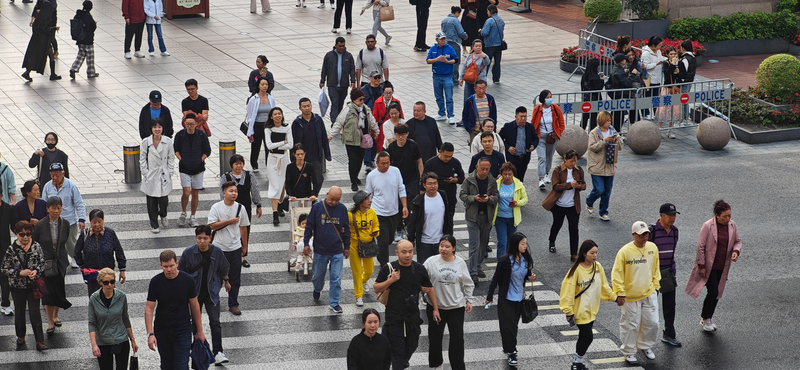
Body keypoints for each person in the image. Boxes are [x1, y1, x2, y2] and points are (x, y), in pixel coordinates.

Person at [373, 240, 439, 369]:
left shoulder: (419, 269)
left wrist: (435, 309)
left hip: (412, 315)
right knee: (398, 350)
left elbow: (429, 288)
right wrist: (390, 280)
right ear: (397, 253)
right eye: (404, 252)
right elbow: (376, 288)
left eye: (410, 252)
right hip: (394, 315)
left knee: (412, 344)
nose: (407, 255)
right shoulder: (389, 268)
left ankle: (403, 362)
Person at [559, 240, 621, 370]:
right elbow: (567, 291)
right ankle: (576, 362)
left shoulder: (597, 267)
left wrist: (615, 298)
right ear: (584, 253)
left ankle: (577, 362)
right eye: (592, 253)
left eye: (596, 252)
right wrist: (568, 311)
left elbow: (604, 287)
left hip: (592, 309)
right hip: (580, 311)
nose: (595, 255)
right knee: (588, 336)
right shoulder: (575, 270)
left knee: (583, 337)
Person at [685, 200, 742, 332]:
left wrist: (735, 251)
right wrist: (701, 265)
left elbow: (738, 241)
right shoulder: (707, 226)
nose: (728, 219)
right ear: (717, 215)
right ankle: (706, 319)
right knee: (714, 292)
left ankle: (707, 318)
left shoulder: (732, 225)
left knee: (716, 293)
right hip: (709, 266)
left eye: (729, 215)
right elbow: (701, 246)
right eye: (725, 216)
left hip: (723, 266)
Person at [178, 226, 232, 365]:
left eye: (205, 238)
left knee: (215, 321)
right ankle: (198, 350)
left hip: (211, 292)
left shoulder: (217, 252)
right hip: (193, 294)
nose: (202, 241)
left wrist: (226, 281)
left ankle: (218, 352)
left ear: (210, 238)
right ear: (196, 238)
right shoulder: (188, 253)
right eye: (199, 238)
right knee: (195, 323)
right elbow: (181, 272)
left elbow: (224, 267)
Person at [145, 250, 206, 370]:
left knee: (181, 365)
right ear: (161, 265)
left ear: (177, 263)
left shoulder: (187, 280)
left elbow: (194, 306)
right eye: (165, 266)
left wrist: (199, 331)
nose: (169, 269)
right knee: (166, 365)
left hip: (182, 329)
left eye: (171, 266)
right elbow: (149, 309)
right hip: (162, 329)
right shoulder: (156, 282)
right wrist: (150, 334)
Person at [611, 221, 661, 365]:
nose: (645, 237)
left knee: (652, 322)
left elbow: (656, 268)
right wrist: (620, 293)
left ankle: (645, 346)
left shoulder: (652, 248)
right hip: (629, 296)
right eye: (641, 235)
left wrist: (655, 285)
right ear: (633, 235)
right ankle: (629, 351)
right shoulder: (625, 252)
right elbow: (617, 274)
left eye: (646, 234)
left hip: (649, 292)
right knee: (630, 324)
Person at [485, 232, 536, 367]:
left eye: (525, 243)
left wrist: (530, 278)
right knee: (507, 326)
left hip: (519, 298)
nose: (525, 246)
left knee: (513, 326)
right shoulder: (505, 261)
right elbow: (495, 279)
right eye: (522, 244)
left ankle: (508, 346)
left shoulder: (526, 260)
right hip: (506, 299)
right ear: (515, 245)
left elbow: (527, 275)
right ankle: (512, 351)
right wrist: (489, 297)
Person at [423, 235, 472, 369]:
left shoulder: (460, 263)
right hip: (435, 307)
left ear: (454, 248)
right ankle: (436, 365)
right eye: (441, 246)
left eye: (447, 246)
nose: (443, 249)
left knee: (457, 340)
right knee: (435, 338)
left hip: (456, 307)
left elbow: (468, 283)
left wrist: (469, 300)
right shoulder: (430, 262)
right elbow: (421, 278)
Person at [304, 187, 350, 314]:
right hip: (320, 250)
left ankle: (334, 303)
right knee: (318, 276)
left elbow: (346, 229)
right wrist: (306, 243)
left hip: (337, 250)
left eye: (337, 200)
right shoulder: (317, 207)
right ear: (327, 194)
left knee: (336, 278)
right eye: (331, 199)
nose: (333, 202)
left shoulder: (342, 209)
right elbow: (309, 226)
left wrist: (347, 247)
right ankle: (317, 289)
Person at [1, 221, 46, 351]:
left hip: (33, 286)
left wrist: (36, 271)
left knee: (35, 313)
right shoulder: (11, 249)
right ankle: (20, 336)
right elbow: (4, 268)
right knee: (19, 313)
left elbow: (42, 263)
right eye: (22, 234)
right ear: (16, 234)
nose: (25, 237)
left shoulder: (36, 246)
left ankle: (39, 340)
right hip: (17, 288)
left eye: (28, 234)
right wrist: (19, 273)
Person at [207, 181, 250, 316]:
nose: (234, 193)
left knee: (235, 278)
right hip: (219, 248)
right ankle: (214, 300)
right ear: (223, 193)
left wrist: (245, 245)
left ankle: (233, 304)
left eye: (235, 191)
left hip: (235, 248)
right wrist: (229, 221)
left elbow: (243, 227)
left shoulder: (240, 208)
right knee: (216, 276)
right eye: (231, 191)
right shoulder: (216, 207)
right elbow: (212, 226)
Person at [32, 196, 72, 336]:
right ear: (47, 209)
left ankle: (56, 316)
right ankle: (50, 322)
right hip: (46, 262)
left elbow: (65, 240)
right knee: (47, 292)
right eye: (53, 208)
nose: (56, 211)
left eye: (59, 208)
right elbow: (35, 242)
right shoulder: (41, 225)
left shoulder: (65, 223)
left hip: (60, 261)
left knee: (59, 289)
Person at [88, 268, 138, 370]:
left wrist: (132, 340)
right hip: (103, 341)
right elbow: (92, 323)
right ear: (100, 282)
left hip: (121, 339)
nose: (110, 285)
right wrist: (94, 345)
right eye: (106, 282)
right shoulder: (94, 298)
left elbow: (125, 319)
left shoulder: (121, 297)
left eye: (112, 282)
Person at [330, 88, 379, 192]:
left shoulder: (366, 109)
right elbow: (339, 123)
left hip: (362, 139)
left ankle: (355, 176)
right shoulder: (347, 110)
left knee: (360, 159)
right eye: (360, 99)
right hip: (350, 139)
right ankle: (353, 181)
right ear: (354, 100)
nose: (362, 101)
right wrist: (331, 135)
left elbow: (372, 120)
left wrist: (376, 131)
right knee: (353, 160)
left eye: (363, 99)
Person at [364, 152, 407, 266]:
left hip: (393, 212)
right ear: (377, 163)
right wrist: (367, 212)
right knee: (383, 241)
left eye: (387, 163)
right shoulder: (372, 176)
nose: (385, 166)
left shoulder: (395, 171)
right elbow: (368, 194)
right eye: (382, 163)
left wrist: (405, 206)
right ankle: (384, 264)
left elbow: (401, 189)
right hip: (378, 212)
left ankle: (380, 253)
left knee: (389, 239)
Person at [648, 203, 682, 346]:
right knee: (649, 307)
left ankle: (669, 333)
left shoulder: (675, 231)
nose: (672, 218)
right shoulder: (651, 231)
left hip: (668, 273)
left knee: (669, 305)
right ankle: (644, 339)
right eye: (669, 215)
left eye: (674, 215)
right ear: (661, 216)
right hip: (652, 275)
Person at [543, 150, 586, 260]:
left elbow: (584, 185)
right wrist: (570, 185)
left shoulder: (579, 170)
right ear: (565, 160)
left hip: (573, 205)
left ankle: (574, 254)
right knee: (557, 224)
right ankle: (552, 241)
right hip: (559, 205)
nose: (573, 163)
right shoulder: (558, 170)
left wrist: (579, 186)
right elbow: (556, 186)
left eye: (575, 161)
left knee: (574, 229)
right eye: (571, 161)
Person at [220, 154, 262, 268]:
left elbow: (255, 190)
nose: (239, 166)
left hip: (245, 207)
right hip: (230, 207)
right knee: (230, 231)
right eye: (236, 164)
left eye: (241, 163)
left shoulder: (249, 175)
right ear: (232, 165)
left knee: (245, 230)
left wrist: (258, 205)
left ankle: (242, 256)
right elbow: (221, 193)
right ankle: (230, 256)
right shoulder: (226, 177)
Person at [460, 158, 497, 284]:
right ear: (477, 167)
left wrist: (489, 199)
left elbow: (497, 197)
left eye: (487, 169)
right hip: (473, 217)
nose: (484, 172)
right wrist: (474, 198)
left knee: (483, 244)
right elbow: (462, 195)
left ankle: (478, 265)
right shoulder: (469, 180)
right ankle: (473, 272)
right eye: (482, 169)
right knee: (474, 244)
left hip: (487, 217)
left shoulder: (492, 181)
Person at [41, 163, 86, 268]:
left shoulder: (71, 186)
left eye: (57, 175)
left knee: (70, 241)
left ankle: (74, 257)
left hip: (69, 220)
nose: (55, 178)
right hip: (53, 220)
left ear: (63, 174)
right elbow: (44, 203)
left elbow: (79, 203)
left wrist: (82, 219)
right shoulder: (47, 187)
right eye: (52, 175)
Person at [74, 209, 127, 296]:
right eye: (94, 222)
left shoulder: (110, 233)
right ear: (90, 222)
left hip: (108, 274)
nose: (97, 224)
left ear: (103, 220)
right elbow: (77, 251)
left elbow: (119, 251)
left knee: (109, 297)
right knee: (94, 299)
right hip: (92, 274)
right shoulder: (85, 234)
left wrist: (122, 269)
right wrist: (82, 265)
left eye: (99, 221)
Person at [173, 113, 211, 227]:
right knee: (186, 191)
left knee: (195, 192)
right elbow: (176, 150)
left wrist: (201, 159)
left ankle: (193, 216)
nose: (189, 126)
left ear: (196, 124)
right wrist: (181, 159)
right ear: (184, 124)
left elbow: (207, 151)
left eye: (192, 124)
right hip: (184, 168)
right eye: (187, 124)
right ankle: (183, 212)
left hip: (198, 168)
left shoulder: (201, 135)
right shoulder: (180, 135)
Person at [408, 173, 453, 262]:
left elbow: (449, 218)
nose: (433, 186)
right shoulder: (418, 200)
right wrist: (411, 239)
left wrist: (450, 238)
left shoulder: (443, 196)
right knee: (424, 270)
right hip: (425, 243)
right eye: (430, 184)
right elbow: (412, 222)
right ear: (424, 185)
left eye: (435, 183)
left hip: (441, 241)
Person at [585, 111, 622, 221]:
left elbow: (620, 146)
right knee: (599, 189)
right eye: (607, 121)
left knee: (607, 191)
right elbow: (593, 147)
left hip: (610, 165)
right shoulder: (594, 133)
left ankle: (603, 212)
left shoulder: (612, 130)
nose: (609, 122)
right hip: (596, 166)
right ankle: (589, 200)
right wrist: (604, 141)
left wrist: (617, 140)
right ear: (601, 121)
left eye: (610, 120)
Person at [140, 119, 174, 233]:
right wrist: (145, 172)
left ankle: (163, 214)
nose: (157, 129)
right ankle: (154, 224)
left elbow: (171, 158)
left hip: (163, 174)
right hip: (151, 174)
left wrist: (170, 172)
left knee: (163, 199)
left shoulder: (168, 142)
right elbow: (142, 158)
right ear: (151, 129)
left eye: (159, 127)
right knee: (151, 201)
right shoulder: (146, 142)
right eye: (155, 127)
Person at [292, 97, 331, 193]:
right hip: (302, 157)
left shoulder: (318, 120)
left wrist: (327, 154)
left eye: (308, 106)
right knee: (304, 181)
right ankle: (308, 198)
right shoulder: (297, 123)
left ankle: (314, 196)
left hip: (316, 157)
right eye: (304, 106)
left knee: (318, 179)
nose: (307, 108)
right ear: (300, 108)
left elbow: (324, 137)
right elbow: (293, 141)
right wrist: (293, 157)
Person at [348, 191, 379, 307]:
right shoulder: (351, 215)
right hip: (354, 245)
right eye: (367, 199)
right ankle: (358, 296)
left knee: (370, 270)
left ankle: (364, 281)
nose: (369, 201)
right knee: (356, 271)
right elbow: (345, 228)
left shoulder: (372, 212)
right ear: (361, 202)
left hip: (368, 244)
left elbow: (376, 225)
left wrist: (376, 232)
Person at [531, 89, 565, 189]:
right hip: (540, 137)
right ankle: (541, 178)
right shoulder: (537, 109)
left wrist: (558, 132)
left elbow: (562, 123)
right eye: (547, 97)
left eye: (550, 97)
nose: (550, 99)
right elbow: (533, 123)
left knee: (549, 157)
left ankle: (546, 174)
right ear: (542, 99)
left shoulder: (555, 108)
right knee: (542, 158)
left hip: (552, 137)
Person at [264, 107, 293, 225]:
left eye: (279, 114)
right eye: (275, 114)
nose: (277, 116)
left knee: (283, 184)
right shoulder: (268, 129)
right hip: (272, 160)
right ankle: (275, 212)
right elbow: (269, 146)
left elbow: (290, 144)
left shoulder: (287, 127)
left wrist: (279, 146)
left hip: (284, 158)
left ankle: (280, 205)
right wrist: (282, 143)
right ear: (271, 116)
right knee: (275, 185)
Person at [492, 162, 527, 259]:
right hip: (500, 217)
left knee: (511, 242)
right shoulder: (496, 184)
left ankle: (510, 262)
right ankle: (501, 264)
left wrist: (517, 203)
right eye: (505, 174)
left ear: (513, 174)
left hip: (513, 218)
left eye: (510, 174)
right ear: (501, 174)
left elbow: (525, 199)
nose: (507, 176)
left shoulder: (518, 185)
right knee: (502, 242)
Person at [423, 142, 464, 220]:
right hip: (434, 196)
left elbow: (462, 178)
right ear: (440, 152)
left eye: (450, 156)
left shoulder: (455, 162)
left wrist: (455, 180)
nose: (448, 159)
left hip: (450, 196)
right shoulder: (430, 163)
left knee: (448, 219)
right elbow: (424, 181)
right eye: (446, 156)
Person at [320, 37, 357, 123]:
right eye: (340, 46)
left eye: (343, 46)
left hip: (344, 85)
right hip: (332, 85)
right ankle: (334, 122)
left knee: (340, 104)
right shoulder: (329, 56)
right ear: (335, 45)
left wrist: (352, 80)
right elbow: (324, 69)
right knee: (335, 103)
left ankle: (339, 120)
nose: (341, 48)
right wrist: (322, 81)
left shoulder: (348, 56)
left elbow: (352, 69)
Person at [21, 0, 60, 81]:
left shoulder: (39, 17)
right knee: (51, 56)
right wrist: (54, 28)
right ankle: (52, 74)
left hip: (36, 40)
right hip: (44, 41)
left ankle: (27, 72)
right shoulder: (46, 19)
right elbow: (45, 29)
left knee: (35, 56)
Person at [426, 32, 458, 124]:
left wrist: (447, 62)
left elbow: (456, 60)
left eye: (444, 39)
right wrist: (437, 59)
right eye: (441, 39)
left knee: (449, 97)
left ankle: (451, 115)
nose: (443, 41)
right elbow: (428, 61)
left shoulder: (449, 48)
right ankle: (441, 113)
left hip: (447, 76)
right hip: (436, 76)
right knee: (438, 96)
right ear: (437, 40)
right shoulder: (433, 49)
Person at [385, 124, 423, 199]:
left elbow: (420, 161)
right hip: (396, 179)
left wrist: (421, 178)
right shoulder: (391, 147)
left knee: (412, 199)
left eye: (403, 135)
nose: (401, 137)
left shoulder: (413, 145)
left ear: (407, 134)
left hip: (412, 179)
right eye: (398, 135)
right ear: (395, 134)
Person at [498, 107, 537, 182]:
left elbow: (536, 138)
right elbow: (499, 139)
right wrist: (508, 148)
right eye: (521, 116)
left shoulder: (530, 127)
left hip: (524, 157)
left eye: (525, 116)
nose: (523, 119)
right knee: (512, 178)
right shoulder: (508, 127)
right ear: (516, 117)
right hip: (512, 158)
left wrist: (533, 146)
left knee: (520, 179)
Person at [360, 71, 384, 172]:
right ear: (370, 78)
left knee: (376, 140)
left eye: (379, 77)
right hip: (367, 119)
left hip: (379, 120)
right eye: (375, 78)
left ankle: (372, 159)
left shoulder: (382, 89)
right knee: (368, 140)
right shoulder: (364, 90)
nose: (377, 80)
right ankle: (368, 163)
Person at [69, 1, 99, 79]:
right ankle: (91, 72)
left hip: (80, 39)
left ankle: (74, 68)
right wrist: (95, 24)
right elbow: (92, 27)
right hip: (88, 39)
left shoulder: (78, 14)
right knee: (90, 57)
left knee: (81, 54)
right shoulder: (88, 16)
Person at [0, 189, 19, 316]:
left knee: (5, 276)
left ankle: (5, 303)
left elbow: (15, 226)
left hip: (4, 247)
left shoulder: (8, 209)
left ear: (1, 196)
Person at [609, 53, 639, 132]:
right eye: (624, 59)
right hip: (620, 96)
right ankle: (616, 133)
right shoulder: (619, 71)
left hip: (617, 95)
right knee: (618, 116)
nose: (626, 60)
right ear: (621, 61)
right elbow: (627, 83)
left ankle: (615, 132)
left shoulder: (617, 69)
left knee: (616, 115)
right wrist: (632, 74)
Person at [657, 46, 682, 139]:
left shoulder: (680, 63)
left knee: (674, 109)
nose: (673, 56)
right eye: (671, 54)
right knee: (663, 108)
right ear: (667, 55)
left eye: (674, 54)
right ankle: (659, 128)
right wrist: (672, 64)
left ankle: (670, 130)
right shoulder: (666, 63)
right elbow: (667, 74)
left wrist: (679, 71)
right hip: (667, 88)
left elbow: (683, 75)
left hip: (676, 89)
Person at [458, 40, 490, 107]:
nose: (478, 47)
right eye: (476, 46)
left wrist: (484, 57)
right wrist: (461, 78)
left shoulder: (484, 56)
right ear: (473, 47)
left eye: (480, 46)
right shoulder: (469, 56)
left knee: (479, 100)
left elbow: (487, 62)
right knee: (467, 100)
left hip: (480, 82)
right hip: (469, 81)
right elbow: (464, 66)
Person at [641, 36, 666, 119]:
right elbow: (646, 66)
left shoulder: (658, 51)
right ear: (653, 45)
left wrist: (666, 59)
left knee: (656, 97)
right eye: (659, 45)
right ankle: (646, 113)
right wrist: (656, 64)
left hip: (657, 78)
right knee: (647, 97)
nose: (660, 47)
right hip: (649, 79)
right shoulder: (646, 53)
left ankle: (656, 112)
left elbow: (660, 58)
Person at [442, 6, 468, 83]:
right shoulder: (455, 21)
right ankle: (454, 78)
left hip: (446, 42)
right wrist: (465, 36)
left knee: (447, 60)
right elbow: (460, 32)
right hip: (454, 42)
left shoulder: (444, 20)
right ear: (457, 13)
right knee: (455, 61)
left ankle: (447, 76)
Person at [479, 5, 504, 83]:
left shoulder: (489, 21)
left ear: (490, 11)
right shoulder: (501, 20)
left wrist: (480, 31)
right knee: (497, 62)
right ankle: (496, 78)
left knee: (486, 62)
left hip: (490, 44)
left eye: (487, 11)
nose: (487, 13)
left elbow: (485, 32)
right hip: (499, 44)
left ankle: (483, 77)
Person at [580, 59, 605, 131]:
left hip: (586, 99)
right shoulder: (595, 77)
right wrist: (602, 81)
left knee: (584, 118)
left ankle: (581, 133)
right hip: (594, 100)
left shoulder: (585, 75)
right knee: (593, 119)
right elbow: (598, 88)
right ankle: (591, 134)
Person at [678, 40, 697, 124]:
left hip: (685, 81)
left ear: (683, 48)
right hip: (690, 80)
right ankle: (686, 117)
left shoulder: (685, 58)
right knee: (685, 99)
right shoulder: (692, 57)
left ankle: (684, 118)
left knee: (683, 100)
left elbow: (684, 71)